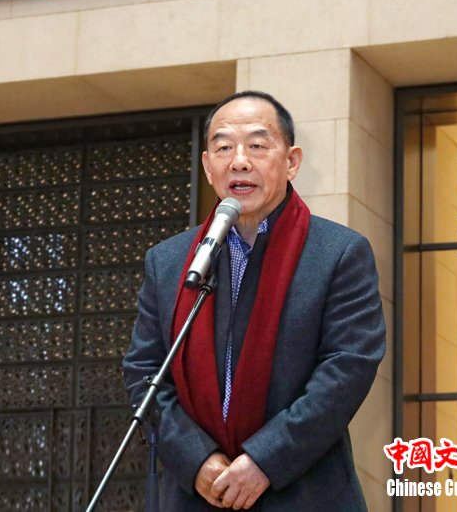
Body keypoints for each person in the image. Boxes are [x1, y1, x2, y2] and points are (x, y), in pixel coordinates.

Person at [123, 91, 386, 511]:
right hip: (197, 494)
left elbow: (347, 369)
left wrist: (265, 459)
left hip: (303, 492)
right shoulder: (170, 261)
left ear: (292, 162)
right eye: (224, 147)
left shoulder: (338, 253)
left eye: (258, 145)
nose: (239, 161)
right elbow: (145, 371)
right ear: (207, 165)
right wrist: (197, 460)